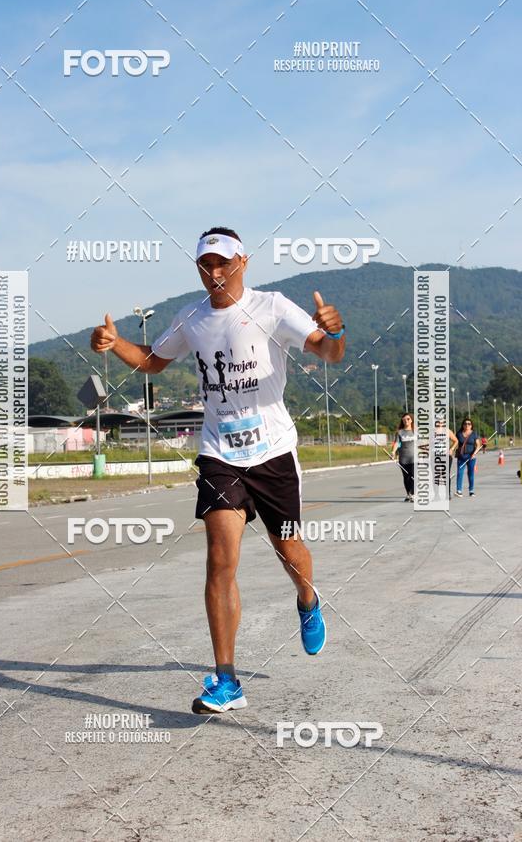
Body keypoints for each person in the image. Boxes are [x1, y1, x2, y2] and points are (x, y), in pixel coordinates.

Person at [90, 227, 346, 714]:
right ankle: (227, 679)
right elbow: (152, 361)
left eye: (223, 262)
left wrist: (335, 332)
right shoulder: (191, 318)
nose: (214, 272)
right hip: (219, 455)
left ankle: (308, 601)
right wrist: (115, 342)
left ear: (243, 262)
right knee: (220, 559)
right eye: (206, 264)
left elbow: (327, 352)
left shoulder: (273, 308)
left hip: (273, 455)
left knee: (288, 549)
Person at [452, 418, 481, 497]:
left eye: (469, 424)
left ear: (471, 425)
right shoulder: (459, 433)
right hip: (461, 457)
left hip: (471, 456)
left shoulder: (474, 433)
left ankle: (471, 490)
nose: (467, 425)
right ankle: (459, 491)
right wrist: (451, 450)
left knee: (470, 473)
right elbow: (455, 442)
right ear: (463, 425)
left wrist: (474, 453)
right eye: (465, 423)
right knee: (459, 473)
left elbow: (478, 445)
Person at [391, 414, 416, 501]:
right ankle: (408, 493)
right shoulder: (399, 432)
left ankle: (413, 494)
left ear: (411, 420)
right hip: (403, 458)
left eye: (408, 419)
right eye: (404, 419)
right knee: (406, 477)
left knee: (413, 475)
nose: (406, 421)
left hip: (414, 458)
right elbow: (397, 443)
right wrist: (393, 452)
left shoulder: (416, 431)